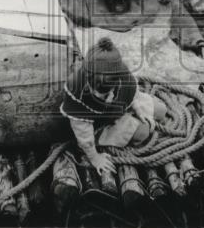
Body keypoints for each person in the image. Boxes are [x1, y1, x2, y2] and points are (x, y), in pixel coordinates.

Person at [61, 37, 167, 177]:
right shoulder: (77, 88)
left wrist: (139, 110)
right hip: (96, 124)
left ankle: (130, 118)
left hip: (115, 109)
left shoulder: (122, 74)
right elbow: (83, 133)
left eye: (102, 92)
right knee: (143, 132)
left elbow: (129, 94)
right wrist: (95, 158)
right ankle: (109, 139)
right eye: (95, 90)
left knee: (161, 110)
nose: (96, 95)